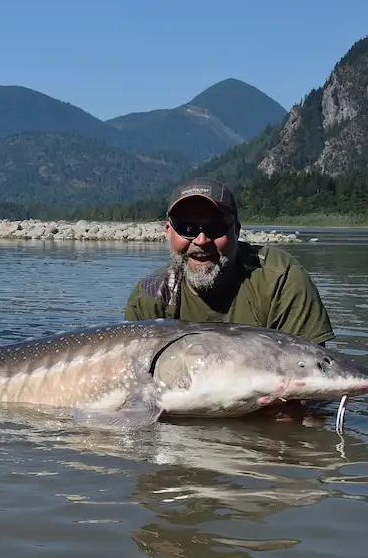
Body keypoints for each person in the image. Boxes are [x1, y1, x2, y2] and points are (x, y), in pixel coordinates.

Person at [124, 177, 335, 420]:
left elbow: (316, 387)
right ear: (168, 232)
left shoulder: (279, 277)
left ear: (236, 230)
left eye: (215, 227)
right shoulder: (150, 295)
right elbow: (134, 400)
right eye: (187, 228)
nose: (201, 241)